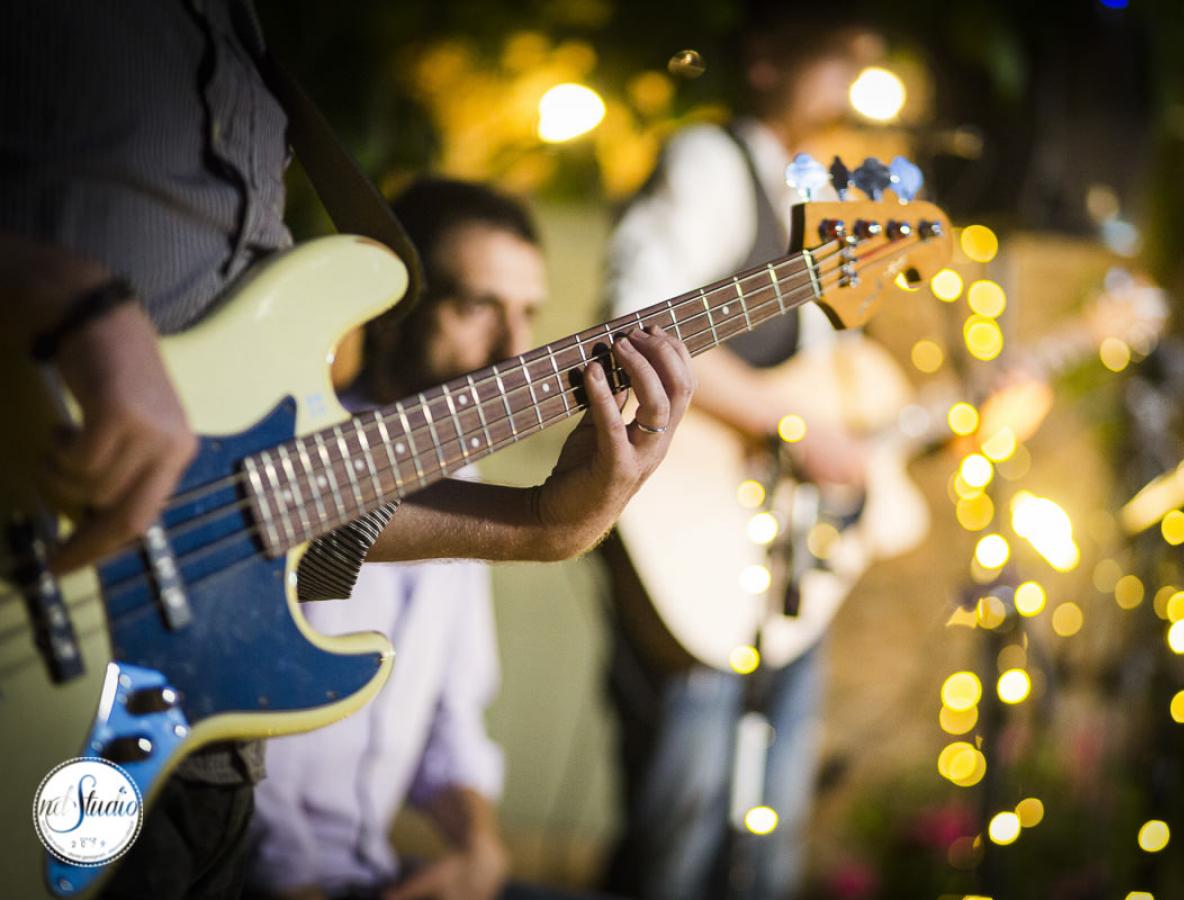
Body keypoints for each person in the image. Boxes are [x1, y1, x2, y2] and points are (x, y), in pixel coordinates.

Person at [0, 5, 693, 898]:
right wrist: (64, 295)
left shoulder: (247, 33)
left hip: (198, 764)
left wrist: (544, 524)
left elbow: (255, 501)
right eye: (479, 307)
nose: (512, 349)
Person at [601, 15, 880, 900]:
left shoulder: (801, 189)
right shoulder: (710, 161)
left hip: (777, 556)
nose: (854, 83)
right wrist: (788, 426)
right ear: (768, 57)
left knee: (763, 837)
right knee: (680, 829)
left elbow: (818, 388)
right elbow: (635, 326)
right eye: (838, 56)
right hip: (692, 538)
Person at [247, 179, 541, 900]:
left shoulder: (464, 475)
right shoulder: (297, 460)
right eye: (477, 308)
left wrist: (479, 850)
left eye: (528, 313)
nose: (514, 350)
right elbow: (236, 730)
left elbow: (453, 723)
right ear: (387, 314)